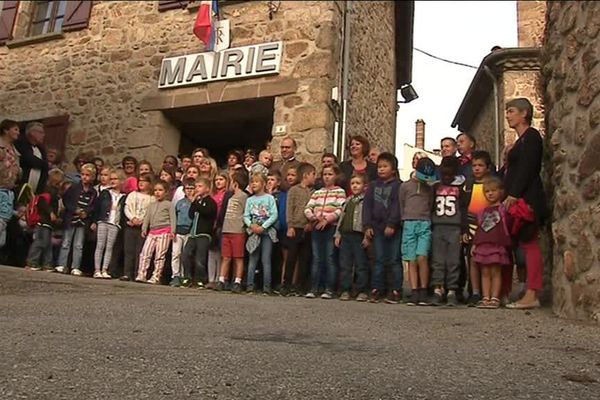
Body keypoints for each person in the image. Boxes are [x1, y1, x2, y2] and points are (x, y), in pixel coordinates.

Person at [503, 98, 547, 310]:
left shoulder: (531, 137)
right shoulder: (521, 141)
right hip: (519, 199)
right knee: (523, 245)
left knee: (530, 246)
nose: (508, 115)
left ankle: (532, 293)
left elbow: (528, 168)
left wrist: (513, 193)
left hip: (527, 199)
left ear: (524, 114)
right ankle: (526, 291)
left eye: (511, 111)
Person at [363, 152, 402, 304]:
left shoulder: (398, 185)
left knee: (393, 259)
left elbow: (397, 206)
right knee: (378, 259)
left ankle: (396, 289)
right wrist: (367, 226)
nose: (381, 169)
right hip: (377, 228)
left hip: (393, 229)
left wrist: (392, 224)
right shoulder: (373, 186)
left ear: (393, 169)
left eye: (385, 166)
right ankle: (377, 288)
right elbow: (367, 206)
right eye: (379, 166)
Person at [430, 157, 468, 306]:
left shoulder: (461, 187)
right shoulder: (435, 187)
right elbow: (431, 206)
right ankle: (438, 289)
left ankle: (452, 289)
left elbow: (463, 209)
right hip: (438, 226)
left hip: (454, 227)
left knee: (453, 261)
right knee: (438, 260)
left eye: (449, 171)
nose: (446, 175)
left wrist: (464, 228)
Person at [304, 165, 345, 299]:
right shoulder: (317, 192)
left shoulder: (340, 192)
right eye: (325, 174)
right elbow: (308, 208)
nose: (327, 177)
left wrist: (327, 219)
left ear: (336, 176)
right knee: (317, 258)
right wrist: (315, 217)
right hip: (317, 227)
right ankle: (314, 287)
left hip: (330, 228)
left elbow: (340, 209)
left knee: (329, 257)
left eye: (330, 174)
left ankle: (329, 289)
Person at [472, 177, 513, 309]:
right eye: (487, 191)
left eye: (493, 190)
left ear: (500, 191)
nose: (490, 193)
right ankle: (486, 297)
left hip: (497, 244)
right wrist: (475, 244)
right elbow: (479, 229)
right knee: (484, 272)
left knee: (496, 271)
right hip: (483, 245)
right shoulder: (482, 212)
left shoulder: (503, 209)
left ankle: (495, 297)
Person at [400, 157, 435, 306]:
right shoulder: (405, 186)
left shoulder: (429, 188)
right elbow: (402, 203)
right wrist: (405, 219)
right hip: (409, 222)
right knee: (411, 259)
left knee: (422, 257)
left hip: (425, 222)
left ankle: (423, 289)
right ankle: (414, 290)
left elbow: (431, 203)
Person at [462, 150, 494, 305]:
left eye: (480, 165)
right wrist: (464, 229)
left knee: (488, 261)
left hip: (489, 228)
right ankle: (474, 292)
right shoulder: (467, 185)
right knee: (473, 260)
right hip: (471, 227)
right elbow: (462, 208)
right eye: (474, 165)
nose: (476, 168)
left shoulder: (492, 186)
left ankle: (488, 292)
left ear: (488, 167)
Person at [55, 163, 97, 276]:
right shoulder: (73, 188)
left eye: (87, 175)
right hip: (71, 218)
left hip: (82, 221)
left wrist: (86, 212)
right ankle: (61, 264)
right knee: (66, 242)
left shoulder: (93, 192)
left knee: (78, 245)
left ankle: (75, 266)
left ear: (92, 177)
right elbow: (66, 200)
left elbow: (93, 206)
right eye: (82, 174)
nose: (84, 177)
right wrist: (74, 209)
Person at [281, 162, 315, 296]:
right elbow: (290, 209)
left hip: (307, 229)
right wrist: (290, 225)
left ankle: (300, 285)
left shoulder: (314, 192)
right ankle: (286, 284)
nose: (314, 177)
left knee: (305, 258)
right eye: (313, 174)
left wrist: (311, 224)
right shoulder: (294, 190)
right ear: (306, 175)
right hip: (295, 228)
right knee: (291, 258)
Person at [335, 173, 369, 302]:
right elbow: (341, 219)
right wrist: (338, 235)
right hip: (346, 235)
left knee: (361, 264)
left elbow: (367, 220)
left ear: (364, 186)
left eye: (358, 183)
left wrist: (367, 236)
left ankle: (361, 289)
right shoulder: (348, 201)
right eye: (353, 183)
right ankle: (345, 289)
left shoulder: (365, 201)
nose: (355, 186)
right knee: (345, 264)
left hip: (359, 235)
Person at [244, 173, 278, 294]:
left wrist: (263, 226)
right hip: (254, 232)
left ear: (263, 183)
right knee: (253, 258)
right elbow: (246, 216)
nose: (254, 184)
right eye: (252, 182)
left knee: (266, 259)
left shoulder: (269, 198)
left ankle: (266, 287)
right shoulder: (249, 200)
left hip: (266, 232)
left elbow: (274, 214)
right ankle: (250, 285)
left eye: (257, 181)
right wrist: (251, 225)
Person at [136, 180, 175, 284]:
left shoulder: (169, 205)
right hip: (152, 232)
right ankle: (141, 274)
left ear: (166, 192)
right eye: (156, 190)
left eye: (160, 190)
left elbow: (173, 218)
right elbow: (147, 218)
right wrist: (144, 228)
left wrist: (173, 231)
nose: (157, 192)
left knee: (159, 255)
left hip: (164, 232)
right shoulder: (151, 205)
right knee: (145, 253)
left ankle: (156, 276)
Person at [216, 171, 249, 293]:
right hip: (227, 230)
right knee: (226, 257)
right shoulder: (230, 196)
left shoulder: (244, 197)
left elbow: (246, 212)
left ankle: (237, 281)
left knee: (238, 257)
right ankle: (221, 279)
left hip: (237, 231)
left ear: (235, 184)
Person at [182, 178, 218, 288]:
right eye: (196, 186)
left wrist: (195, 203)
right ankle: (187, 277)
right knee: (186, 254)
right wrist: (194, 203)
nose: (196, 189)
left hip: (203, 234)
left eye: (199, 186)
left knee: (200, 259)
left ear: (207, 189)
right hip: (193, 234)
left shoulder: (210, 202)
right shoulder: (197, 201)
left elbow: (206, 212)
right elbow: (191, 215)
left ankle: (200, 279)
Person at [25, 168, 63, 271]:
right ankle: (32, 262)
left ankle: (47, 264)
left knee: (47, 244)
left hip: (49, 223)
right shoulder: (48, 191)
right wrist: (51, 213)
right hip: (43, 221)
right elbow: (42, 203)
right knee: (40, 242)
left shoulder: (55, 193)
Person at [91, 169, 125, 279]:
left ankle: (105, 269)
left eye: (115, 179)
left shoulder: (124, 196)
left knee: (109, 247)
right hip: (103, 221)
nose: (113, 181)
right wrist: (94, 221)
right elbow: (97, 207)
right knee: (100, 245)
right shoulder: (105, 193)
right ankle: (97, 269)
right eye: (111, 179)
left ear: (121, 181)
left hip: (114, 224)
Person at [121, 173, 154, 281]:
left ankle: (137, 273)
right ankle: (127, 273)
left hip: (142, 228)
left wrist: (142, 221)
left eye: (144, 181)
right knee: (129, 250)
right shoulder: (132, 194)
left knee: (140, 251)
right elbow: (127, 208)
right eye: (140, 180)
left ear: (150, 184)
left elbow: (150, 213)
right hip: (131, 225)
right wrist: (132, 218)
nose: (141, 183)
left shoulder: (152, 198)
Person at [169, 178, 195, 287]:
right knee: (176, 254)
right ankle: (176, 275)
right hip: (178, 231)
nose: (189, 191)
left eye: (191, 188)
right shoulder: (180, 203)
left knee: (185, 255)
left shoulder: (196, 203)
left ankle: (185, 276)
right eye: (187, 188)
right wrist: (173, 230)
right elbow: (174, 217)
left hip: (189, 231)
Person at [0, 120, 21, 249]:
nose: (18, 133)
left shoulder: (14, 150)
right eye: (15, 129)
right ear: (6, 130)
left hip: (8, 189)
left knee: (3, 223)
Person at [207, 171, 229, 287]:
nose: (218, 182)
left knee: (221, 253)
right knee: (211, 252)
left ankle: (218, 278)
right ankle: (211, 278)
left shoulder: (227, 195)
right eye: (216, 180)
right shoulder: (212, 195)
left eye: (221, 179)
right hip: (211, 224)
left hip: (221, 225)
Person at [15, 121, 48, 194]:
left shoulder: (41, 150)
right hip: (20, 188)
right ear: (32, 133)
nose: (43, 135)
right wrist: (45, 165)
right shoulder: (21, 144)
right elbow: (29, 160)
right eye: (41, 132)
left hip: (35, 191)